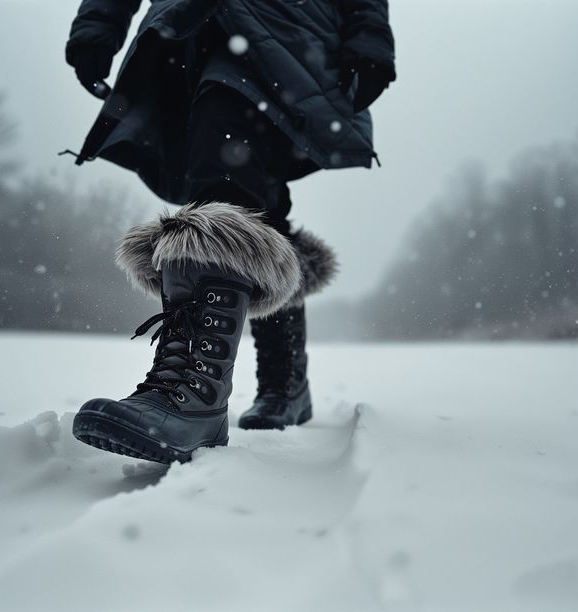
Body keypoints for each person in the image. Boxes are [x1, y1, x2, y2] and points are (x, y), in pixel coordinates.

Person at [64, 0, 395, 463]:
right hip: (194, 25)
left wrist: (369, 32)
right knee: (253, 196)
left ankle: (196, 397)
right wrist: (100, 23)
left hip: (290, 23)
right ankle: (284, 379)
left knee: (226, 179)